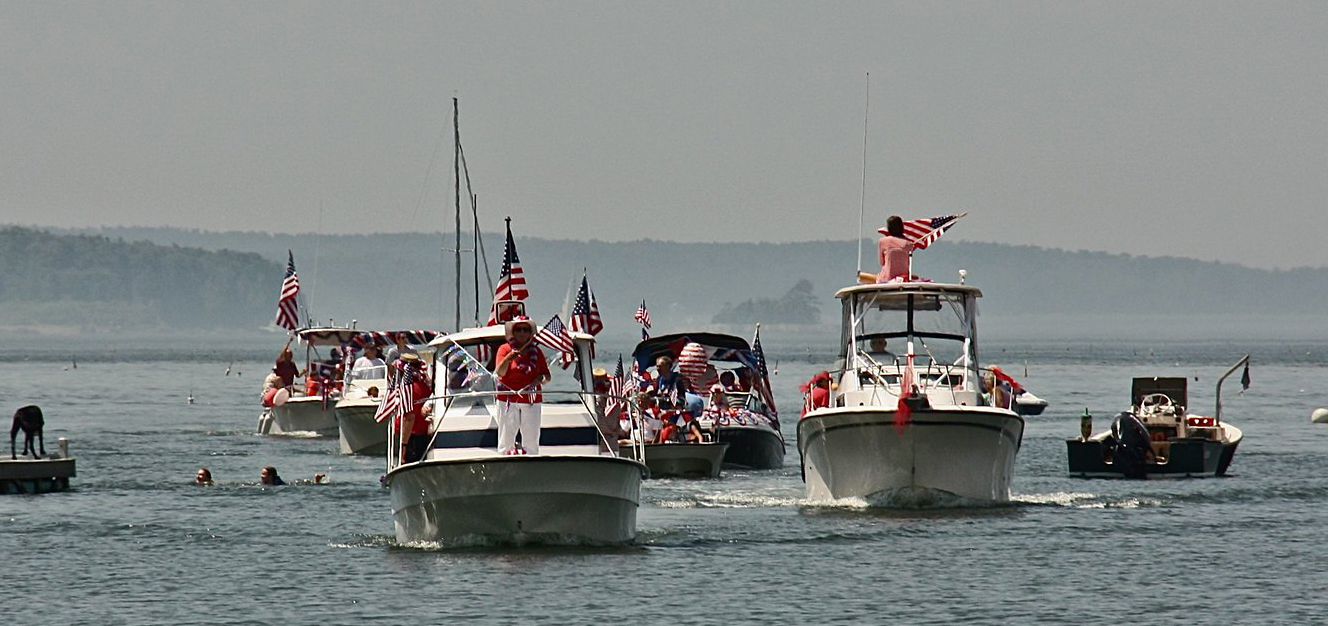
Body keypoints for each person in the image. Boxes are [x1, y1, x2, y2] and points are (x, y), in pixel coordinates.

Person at [494, 318, 551, 455]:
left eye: (525, 329)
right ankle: (505, 459)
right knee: (506, 438)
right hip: (507, 399)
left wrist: (540, 379)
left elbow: (547, 376)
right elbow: (499, 373)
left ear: (530, 333)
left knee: (531, 439)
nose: (522, 332)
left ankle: (531, 460)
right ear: (513, 332)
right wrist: (508, 358)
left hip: (531, 398)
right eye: (518, 329)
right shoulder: (504, 349)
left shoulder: (537, 352)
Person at [396, 354, 435, 463]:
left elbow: (409, 418)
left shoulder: (409, 390)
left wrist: (403, 447)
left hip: (411, 440)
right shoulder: (425, 386)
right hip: (422, 436)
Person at [877, 215, 916, 283]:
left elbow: (882, 262)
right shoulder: (909, 244)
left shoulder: (883, 241)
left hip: (886, 278)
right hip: (904, 279)